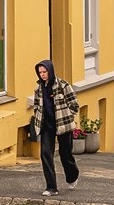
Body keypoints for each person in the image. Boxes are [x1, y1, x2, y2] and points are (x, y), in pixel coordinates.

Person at [26, 59, 79, 196]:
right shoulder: (38, 89)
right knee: (45, 155)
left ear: (50, 71)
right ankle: (51, 187)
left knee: (65, 154)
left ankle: (73, 176)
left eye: (45, 72)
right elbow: (37, 106)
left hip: (63, 124)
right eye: (40, 72)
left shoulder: (63, 85)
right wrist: (39, 118)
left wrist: (68, 116)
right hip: (47, 126)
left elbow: (74, 104)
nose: (42, 74)